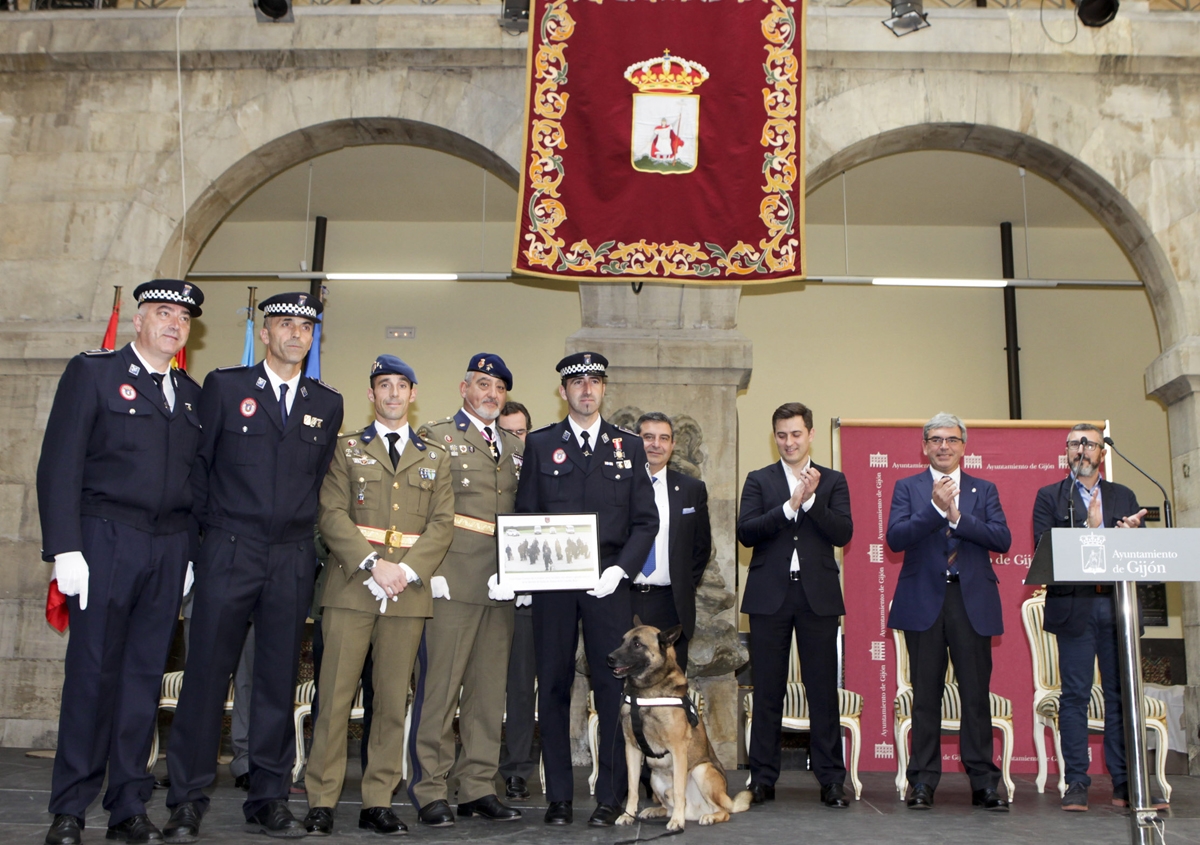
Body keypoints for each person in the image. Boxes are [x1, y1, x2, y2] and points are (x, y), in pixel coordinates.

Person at [164, 292, 344, 842]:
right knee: (206, 677)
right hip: (230, 547)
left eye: (305, 327)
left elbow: (317, 484)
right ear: (265, 333)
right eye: (285, 325)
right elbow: (200, 469)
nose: (296, 334)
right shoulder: (227, 386)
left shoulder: (326, 402)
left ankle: (267, 797)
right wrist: (202, 550)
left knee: (276, 680)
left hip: (290, 556)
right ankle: (187, 797)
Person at [38, 280, 205, 845]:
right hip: (103, 541)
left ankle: (128, 804)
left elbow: (196, 481)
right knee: (92, 677)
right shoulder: (94, 373)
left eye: (183, 317)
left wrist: (191, 553)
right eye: (162, 313)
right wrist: (64, 547)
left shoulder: (189, 393)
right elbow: (59, 463)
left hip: (167, 548)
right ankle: (69, 808)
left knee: (142, 682)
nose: (174, 323)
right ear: (138, 320)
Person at [302, 354, 454, 836]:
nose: (392, 393)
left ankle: (376, 801)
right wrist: (373, 563)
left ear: (413, 393)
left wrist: (405, 571)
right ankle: (321, 800)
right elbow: (330, 514)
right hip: (352, 588)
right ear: (371, 395)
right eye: (383, 385)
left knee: (391, 701)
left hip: (406, 594)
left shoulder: (436, 456)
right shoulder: (345, 450)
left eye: (400, 385)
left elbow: (443, 525)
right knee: (334, 700)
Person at [514, 351, 658, 826]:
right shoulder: (540, 445)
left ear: (604, 388)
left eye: (595, 381)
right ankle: (558, 797)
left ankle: (611, 798)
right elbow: (526, 516)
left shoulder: (628, 446)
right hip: (554, 587)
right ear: (563, 390)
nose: (586, 389)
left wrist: (621, 570)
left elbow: (645, 521)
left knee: (612, 690)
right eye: (577, 382)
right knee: (553, 686)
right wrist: (523, 576)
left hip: (607, 585)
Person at [406, 355, 525, 826]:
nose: (491, 393)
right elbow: (417, 507)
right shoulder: (437, 436)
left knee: (488, 691)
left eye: (498, 387)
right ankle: (429, 788)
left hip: (502, 583)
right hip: (451, 576)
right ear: (464, 388)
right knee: (440, 689)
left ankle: (477, 786)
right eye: (482, 384)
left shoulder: (517, 446)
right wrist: (424, 568)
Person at [1032, 424, 1161, 811]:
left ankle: (1127, 783)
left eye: (1090, 444)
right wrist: (1088, 531)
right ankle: (1076, 784)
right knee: (1075, 696)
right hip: (1075, 607)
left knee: (1122, 696)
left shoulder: (1123, 495)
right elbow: (1044, 549)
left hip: (1115, 604)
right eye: (1075, 444)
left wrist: (1132, 535)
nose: (1082, 450)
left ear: (1102, 452)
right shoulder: (1051, 496)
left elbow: (1135, 555)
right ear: (1066, 451)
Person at [886, 413, 1012, 812]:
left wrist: (957, 516)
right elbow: (896, 537)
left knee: (976, 697)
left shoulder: (983, 489)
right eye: (936, 439)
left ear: (963, 445)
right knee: (925, 696)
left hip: (970, 601)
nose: (943, 446)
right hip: (923, 601)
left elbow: (1002, 539)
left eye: (952, 439)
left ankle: (984, 784)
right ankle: (921, 782)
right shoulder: (907, 488)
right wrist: (936, 511)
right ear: (924, 446)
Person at [737, 403, 853, 809]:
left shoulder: (833, 481)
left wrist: (809, 500)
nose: (789, 442)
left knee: (823, 691)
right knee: (767, 691)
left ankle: (831, 780)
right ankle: (762, 778)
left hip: (817, 598)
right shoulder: (759, 480)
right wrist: (789, 505)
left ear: (811, 434)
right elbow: (746, 532)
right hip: (770, 597)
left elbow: (842, 532)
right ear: (775, 437)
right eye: (782, 435)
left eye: (796, 434)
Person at [633, 412, 711, 674]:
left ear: (673, 445)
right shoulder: (617, 486)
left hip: (671, 604)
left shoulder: (692, 489)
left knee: (668, 689)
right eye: (648, 437)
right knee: (620, 689)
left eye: (664, 438)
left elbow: (701, 548)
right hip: (625, 600)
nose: (656, 444)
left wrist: (683, 582)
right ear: (636, 440)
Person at [497, 402, 538, 801]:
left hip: (529, 599)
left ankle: (517, 770)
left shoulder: (543, 473)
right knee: (481, 686)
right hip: (484, 593)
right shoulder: (484, 470)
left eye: (520, 432)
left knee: (521, 688)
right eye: (504, 431)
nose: (513, 439)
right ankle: (476, 766)